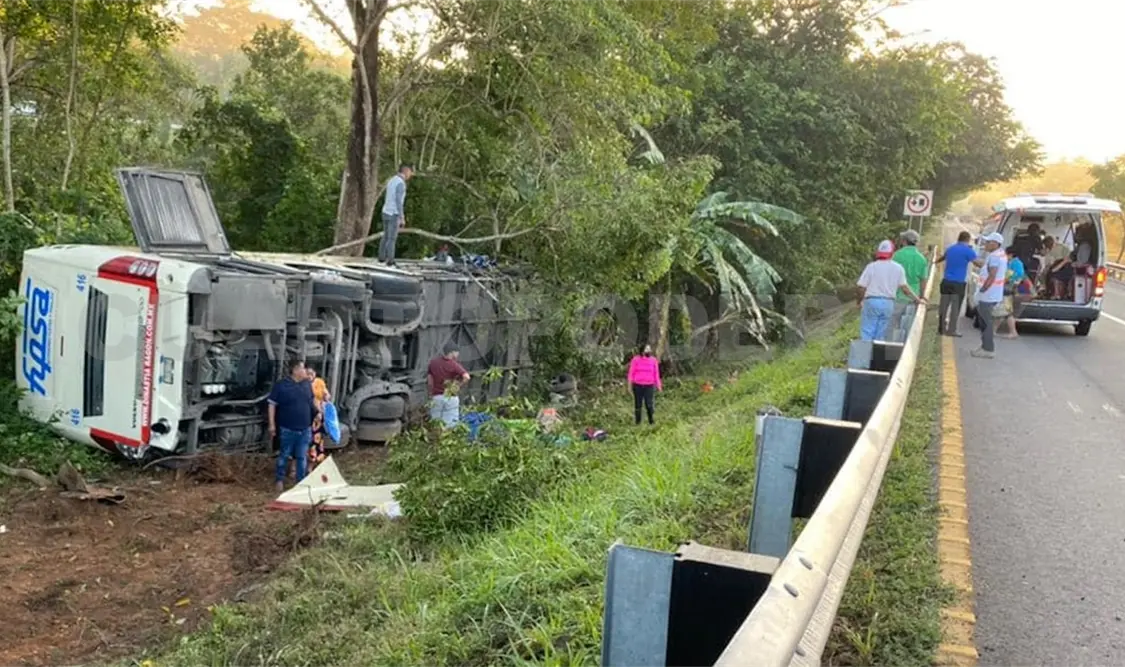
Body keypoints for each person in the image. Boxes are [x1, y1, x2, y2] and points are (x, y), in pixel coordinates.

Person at [856, 240, 925, 342]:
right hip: (888, 303)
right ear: (892, 253)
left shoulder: (871, 267)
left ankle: (863, 356)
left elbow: (861, 287)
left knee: (867, 331)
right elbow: (905, 289)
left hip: (871, 301)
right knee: (881, 333)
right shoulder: (898, 268)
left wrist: (859, 302)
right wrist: (918, 299)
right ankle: (876, 356)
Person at [268, 360, 317, 491]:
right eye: (302, 368)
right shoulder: (281, 386)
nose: (305, 371)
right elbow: (272, 404)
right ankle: (279, 479)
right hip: (287, 428)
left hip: (305, 428)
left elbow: (312, 401)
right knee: (284, 455)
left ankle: (300, 483)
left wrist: (319, 412)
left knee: (301, 457)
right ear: (295, 370)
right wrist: (272, 424)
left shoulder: (307, 384)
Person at [970, 233, 1007, 359]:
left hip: (988, 294)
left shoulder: (995, 257)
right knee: (985, 321)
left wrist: (982, 290)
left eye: (988, 242)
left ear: (995, 244)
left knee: (985, 322)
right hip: (993, 294)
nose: (985, 244)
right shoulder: (999, 254)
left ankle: (988, 349)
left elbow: (992, 275)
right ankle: (985, 346)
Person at [935, 231, 976, 337]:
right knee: (955, 307)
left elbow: (942, 258)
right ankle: (952, 330)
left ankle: (941, 329)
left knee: (943, 306)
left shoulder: (950, 248)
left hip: (946, 281)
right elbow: (978, 263)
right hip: (958, 283)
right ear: (967, 239)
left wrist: (934, 262)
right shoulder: (968, 251)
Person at [379, 163, 414, 266]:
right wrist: (401, 216)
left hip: (385, 211)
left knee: (385, 236)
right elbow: (398, 201)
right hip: (393, 213)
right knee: (392, 238)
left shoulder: (391, 180)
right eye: (410, 172)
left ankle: (381, 257)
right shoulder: (401, 183)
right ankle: (390, 259)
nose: (410, 175)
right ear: (406, 170)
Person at [428, 342, 470, 428]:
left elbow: (429, 380)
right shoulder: (454, 364)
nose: (458, 354)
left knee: (435, 423)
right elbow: (467, 377)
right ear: (452, 352)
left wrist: (430, 393)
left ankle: (436, 438)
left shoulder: (433, 362)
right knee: (450, 424)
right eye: (457, 352)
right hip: (450, 397)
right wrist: (457, 386)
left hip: (436, 397)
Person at [626, 344, 662, 425]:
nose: (649, 351)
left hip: (649, 385)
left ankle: (651, 421)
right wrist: (629, 385)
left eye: (649, 349)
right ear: (642, 350)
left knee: (649, 404)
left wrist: (658, 385)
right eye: (647, 349)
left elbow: (656, 374)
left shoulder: (653, 360)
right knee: (638, 404)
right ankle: (638, 422)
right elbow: (631, 373)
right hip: (638, 385)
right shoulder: (635, 360)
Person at [995, 246, 1026, 340]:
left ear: (1011, 255)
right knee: (1003, 310)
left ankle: (1013, 332)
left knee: (1007, 311)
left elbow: (1017, 276)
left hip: (1009, 289)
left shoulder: (1015, 263)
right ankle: (993, 330)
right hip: (1008, 288)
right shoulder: (1013, 262)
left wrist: (1006, 279)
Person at [307, 367, 330, 465]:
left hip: (318, 417)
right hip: (307, 415)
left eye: (311, 373)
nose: (309, 376)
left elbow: (326, 394)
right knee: (306, 440)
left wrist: (326, 397)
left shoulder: (320, 382)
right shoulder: (303, 384)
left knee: (317, 439)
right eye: (307, 373)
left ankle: (312, 464)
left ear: (315, 373)